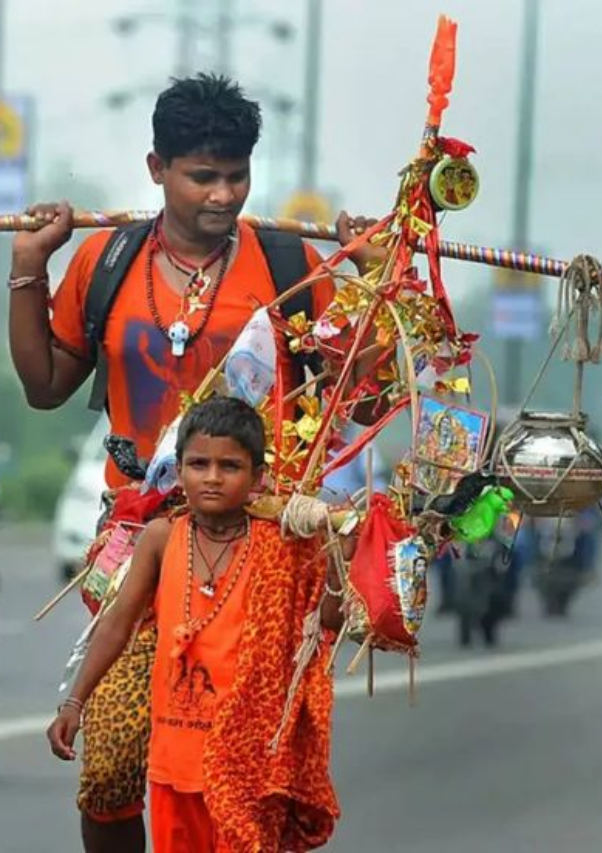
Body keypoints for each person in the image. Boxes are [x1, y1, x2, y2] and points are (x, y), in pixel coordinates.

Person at [8, 73, 383, 852]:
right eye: (202, 176)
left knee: (243, 770)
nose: (223, 195)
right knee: (111, 765)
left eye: (237, 175)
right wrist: (28, 268)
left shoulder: (289, 268)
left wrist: (375, 283)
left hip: (261, 549)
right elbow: (45, 387)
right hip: (137, 544)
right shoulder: (106, 262)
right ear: (157, 169)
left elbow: (364, 401)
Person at [48, 396, 344, 852]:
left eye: (229, 466)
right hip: (173, 764)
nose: (211, 477)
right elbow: (117, 623)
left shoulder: (281, 545)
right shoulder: (162, 538)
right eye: (198, 463)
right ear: (178, 470)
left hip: (245, 763)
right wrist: (74, 701)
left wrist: (340, 560)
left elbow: (324, 621)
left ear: (257, 476)